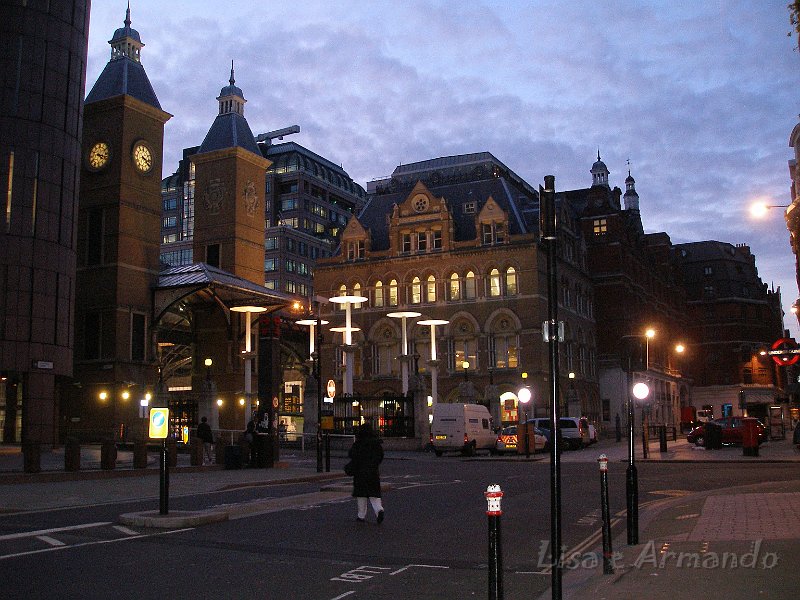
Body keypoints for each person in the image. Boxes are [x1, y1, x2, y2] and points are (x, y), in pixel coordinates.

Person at [347, 424, 384, 523]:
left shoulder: (359, 443)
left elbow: (352, 454)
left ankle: (361, 515)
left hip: (360, 473)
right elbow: (380, 456)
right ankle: (379, 510)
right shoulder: (376, 443)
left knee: (361, 495)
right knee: (374, 495)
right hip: (373, 472)